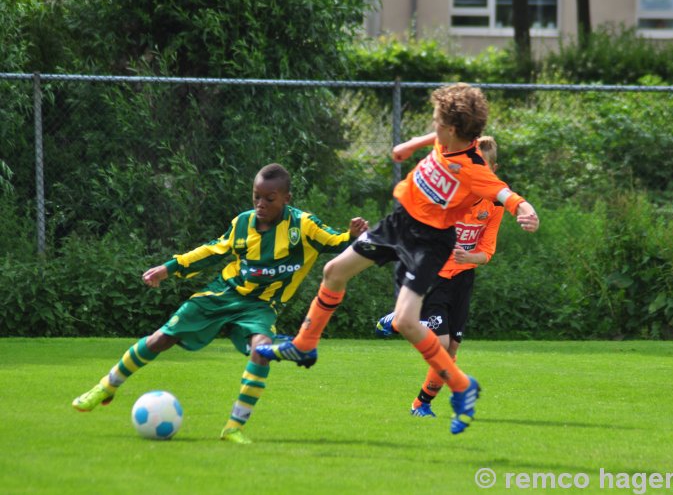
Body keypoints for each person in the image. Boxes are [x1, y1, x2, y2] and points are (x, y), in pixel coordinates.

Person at [257, 83, 539, 435]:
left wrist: (526, 211)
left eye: (436, 120)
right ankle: (304, 345)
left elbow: (507, 195)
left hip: (429, 242)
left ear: (451, 129)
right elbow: (433, 136)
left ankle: (460, 386)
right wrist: (410, 146)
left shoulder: (474, 167)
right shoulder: (448, 139)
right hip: (399, 224)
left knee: (407, 321)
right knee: (334, 271)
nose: (433, 124)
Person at [71, 163, 368, 444]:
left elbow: (336, 242)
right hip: (223, 293)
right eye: (256, 197)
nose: (261, 204)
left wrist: (352, 236)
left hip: (261, 306)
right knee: (163, 338)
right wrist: (169, 267)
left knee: (261, 350)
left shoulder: (302, 225)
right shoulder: (242, 224)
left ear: (286, 198)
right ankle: (106, 387)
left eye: (269, 198)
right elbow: (211, 251)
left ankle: (233, 428)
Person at [375, 135, 504, 419]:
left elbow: (487, 252)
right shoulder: (452, 195)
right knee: (441, 343)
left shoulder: (495, 205)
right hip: (435, 276)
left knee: (451, 349)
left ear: (492, 169)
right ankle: (401, 320)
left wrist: (469, 258)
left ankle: (422, 403)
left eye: (485, 165)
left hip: (463, 280)